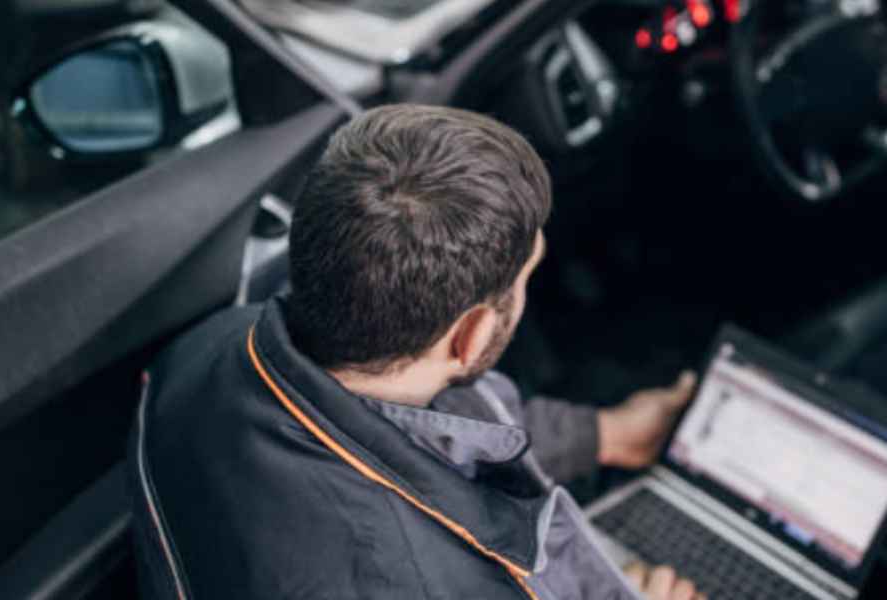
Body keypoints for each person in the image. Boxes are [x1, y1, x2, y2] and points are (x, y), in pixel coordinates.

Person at [130, 104, 704, 599]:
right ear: (471, 337)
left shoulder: (212, 346)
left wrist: (606, 433)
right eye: (526, 279)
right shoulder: (422, 583)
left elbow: (441, 437)